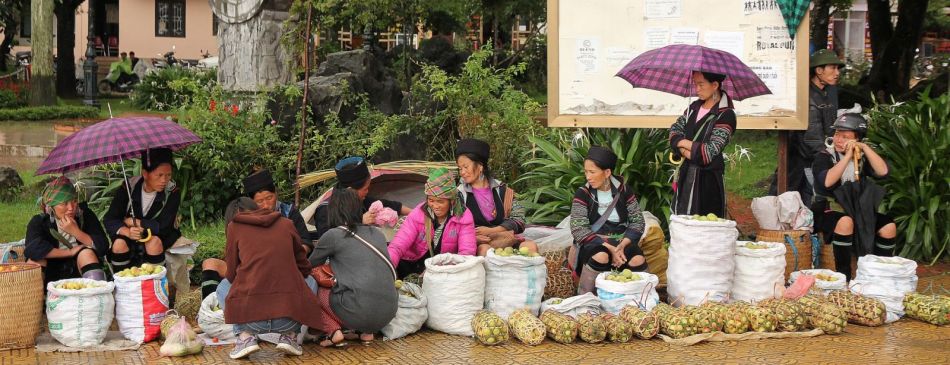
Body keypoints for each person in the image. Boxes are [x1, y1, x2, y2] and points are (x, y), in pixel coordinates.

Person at [216, 198, 320, 359]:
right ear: (257, 208)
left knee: (223, 286)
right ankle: (291, 336)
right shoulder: (286, 223)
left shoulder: (234, 227)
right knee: (310, 280)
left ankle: (245, 338)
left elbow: (231, 274)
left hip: (251, 322)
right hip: (287, 320)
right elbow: (304, 266)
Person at [200, 169, 314, 298]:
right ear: (251, 202)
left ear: (276, 193)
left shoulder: (288, 215)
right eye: (260, 201)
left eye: (269, 198)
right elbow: (233, 261)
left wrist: (284, 257)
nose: (266, 205)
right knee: (210, 264)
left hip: (285, 268)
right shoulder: (242, 219)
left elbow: (305, 243)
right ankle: (209, 307)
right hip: (250, 270)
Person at [309, 188, 398, 347]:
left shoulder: (333, 235)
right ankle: (366, 333)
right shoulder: (377, 234)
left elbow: (309, 266)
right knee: (366, 282)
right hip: (388, 313)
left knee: (318, 286)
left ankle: (333, 332)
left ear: (334, 211)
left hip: (357, 311)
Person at [812, 113, 895, 281]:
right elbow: (827, 182)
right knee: (845, 222)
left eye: (845, 136)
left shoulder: (862, 158)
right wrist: (848, 157)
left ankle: (879, 276)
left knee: (888, 226)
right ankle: (844, 278)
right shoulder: (824, 156)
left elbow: (883, 171)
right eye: (836, 134)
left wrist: (864, 148)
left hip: (858, 211)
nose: (838, 140)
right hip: (828, 211)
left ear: (857, 139)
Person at [769, 49, 844, 205]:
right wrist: (830, 157)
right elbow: (812, 137)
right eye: (832, 68)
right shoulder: (807, 95)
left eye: (838, 68)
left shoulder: (828, 92)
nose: (837, 73)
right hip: (800, 159)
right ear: (818, 70)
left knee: (808, 206)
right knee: (790, 203)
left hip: (815, 158)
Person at [569, 147, 647, 295]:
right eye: (586, 172)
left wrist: (622, 245)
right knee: (601, 256)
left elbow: (638, 221)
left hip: (621, 241)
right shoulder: (583, 194)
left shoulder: (624, 191)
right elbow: (578, 228)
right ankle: (586, 298)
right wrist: (610, 248)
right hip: (594, 242)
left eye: (592, 172)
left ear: (607, 172)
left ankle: (640, 300)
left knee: (636, 259)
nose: (588, 177)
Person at [669, 71, 737, 217]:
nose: (697, 89)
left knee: (706, 227)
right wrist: (691, 150)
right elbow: (673, 133)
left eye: (701, 84)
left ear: (714, 85)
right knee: (682, 222)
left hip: (708, 184)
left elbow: (708, 153)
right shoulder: (693, 108)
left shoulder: (726, 115)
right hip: (686, 176)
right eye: (695, 84)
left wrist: (681, 144)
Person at [454, 138, 538, 256]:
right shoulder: (460, 195)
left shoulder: (502, 190)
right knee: (486, 251)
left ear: (480, 166)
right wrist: (472, 237)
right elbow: (453, 226)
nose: (462, 172)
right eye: (460, 168)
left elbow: (519, 220)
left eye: (465, 167)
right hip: (479, 244)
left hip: (505, 239)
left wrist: (493, 230)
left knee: (530, 247)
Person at [388, 167, 476, 278]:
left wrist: (437, 270)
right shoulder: (418, 214)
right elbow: (397, 246)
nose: (435, 206)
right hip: (412, 263)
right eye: (431, 200)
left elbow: (466, 254)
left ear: (452, 201)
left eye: (440, 201)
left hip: (444, 269)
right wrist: (388, 267)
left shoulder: (463, 217)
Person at [103, 148, 181, 273]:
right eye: (159, 175)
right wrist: (126, 232)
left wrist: (135, 222)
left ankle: (154, 287)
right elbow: (110, 219)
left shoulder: (172, 191)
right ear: (145, 173)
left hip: (160, 236)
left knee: (153, 243)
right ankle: (123, 285)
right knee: (119, 245)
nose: (164, 180)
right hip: (131, 234)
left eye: (168, 175)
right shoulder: (129, 187)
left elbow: (163, 227)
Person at [25, 176, 108, 284]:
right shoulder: (39, 221)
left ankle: (95, 296)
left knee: (86, 253)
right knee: (35, 260)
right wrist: (69, 252)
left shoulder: (85, 215)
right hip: (51, 270)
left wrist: (76, 232)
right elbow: (32, 249)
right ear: (51, 207)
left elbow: (103, 246)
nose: (71, 208)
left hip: (81, 267)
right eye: (64, 204)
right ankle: (35, 299)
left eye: (74, 201)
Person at [313, 156, 411, 240]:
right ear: (351, 190)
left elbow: (394, 206)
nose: (367, 192)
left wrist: (416, 214)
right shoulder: (325, 211)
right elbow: (328, 243)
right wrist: (360, 222)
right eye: (365, 189)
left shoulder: (360, 201)